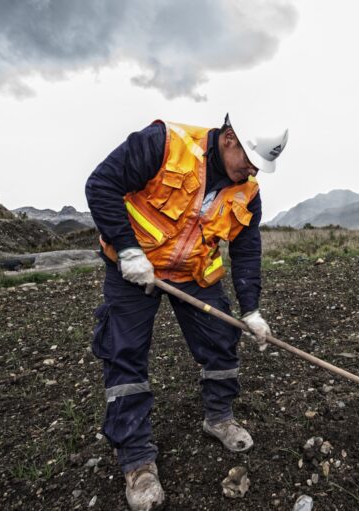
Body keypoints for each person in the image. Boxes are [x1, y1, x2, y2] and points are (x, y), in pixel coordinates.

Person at [85, 113, 288, 510]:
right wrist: (127, 249)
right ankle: (137, 461)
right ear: (230, 137)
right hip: (135, 267)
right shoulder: (163, 144)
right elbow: (101, 185)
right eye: (249, 160)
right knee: (124, 354)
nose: (251, 170)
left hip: (193, 271)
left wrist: (251, 310)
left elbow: (246, 248)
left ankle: (219, 417)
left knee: (221, 340)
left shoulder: (247, 190)